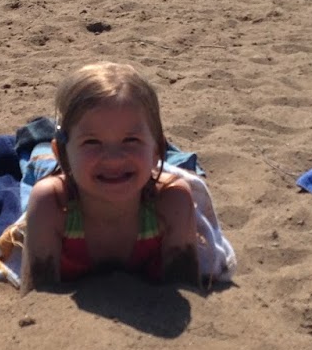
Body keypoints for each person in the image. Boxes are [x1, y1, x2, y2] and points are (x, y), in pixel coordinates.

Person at [23, 62, 199, 290]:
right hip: (61, 174)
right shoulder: (53, 205)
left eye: (131, 140)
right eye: (92, 142)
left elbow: (188, 289)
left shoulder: (171, 202)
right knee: (37, 159)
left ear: (158, 152)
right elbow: (35, 299)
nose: (113, 159)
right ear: (63, 155)